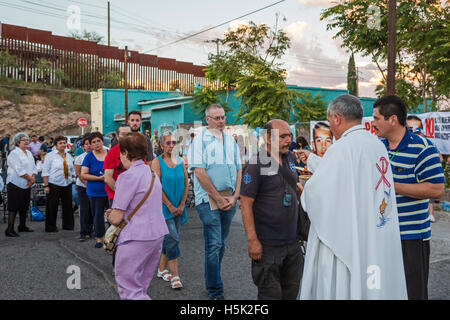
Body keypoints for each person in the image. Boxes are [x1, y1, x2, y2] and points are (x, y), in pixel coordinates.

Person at [299, 94, 407, 299]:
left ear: (337, 118)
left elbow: (323, 191)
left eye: (330, 121)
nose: (331, 127)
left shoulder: (342, 147)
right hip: (374, 232)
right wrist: (313, 160)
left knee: (346, 284)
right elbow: (349, 178)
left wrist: (306, 192)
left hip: (349, 236)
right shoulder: (376, 145)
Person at [372, 95, 445, 300]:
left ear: (392, 119)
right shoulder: (377, 147)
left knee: (412, 293)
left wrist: (393, 187)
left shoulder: (423, 148)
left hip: (410, 238)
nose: (373, 123)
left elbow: (436, 189)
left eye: (377, 118)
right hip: (382, 236)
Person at [240, 119, 304, 300]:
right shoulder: (256, 164)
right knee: (270, 296)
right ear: (268, 138)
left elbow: (294, 185)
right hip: (267, 246)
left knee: (291, 294)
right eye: (283, 136)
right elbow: (245, 204)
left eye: (289, 136)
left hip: (292, 243)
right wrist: (252, 240)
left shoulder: (291, 158)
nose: (288, 140)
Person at [187, 104, 242, 300]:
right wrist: (218, 198)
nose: (221, 121)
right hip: (208, 200)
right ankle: (215, 289)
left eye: (223, 117)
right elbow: (199, 173)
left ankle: (213, 279)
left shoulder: (230, 141)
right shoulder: (199, 141)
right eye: (216, 118)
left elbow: (238, 169)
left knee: (220, 244)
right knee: (214, 244)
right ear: (207, 119)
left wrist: (235, 196)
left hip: (229, 198)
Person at [105, 132, 168, 300]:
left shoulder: (127, 176)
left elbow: (117, 217)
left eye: (121, 154)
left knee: (129, 290)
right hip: (156, 234)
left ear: (126, 153)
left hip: (135, 237)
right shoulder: (152, 174)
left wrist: (110, 215)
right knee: (141, 287)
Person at [152, 131, 189, 290]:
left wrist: (181, 205)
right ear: (161, 145)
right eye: (168, 143)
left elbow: (187, 184)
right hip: (164, 208)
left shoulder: (180, 160)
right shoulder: (156, 162)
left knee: (170, 239)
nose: (172, 146)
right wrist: (170, 206)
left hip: (178, 207)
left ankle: (161, 269)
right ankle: (175, 276)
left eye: (174, 143)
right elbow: (156, 188)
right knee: (173, 238)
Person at [5, 133, 38, 236]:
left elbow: (33, 167)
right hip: (15, 183)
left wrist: (32, 178)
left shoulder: (28, 153)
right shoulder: (14, 154)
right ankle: (9, 229)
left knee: (24, 206)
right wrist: (30, 179)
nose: (27, 141)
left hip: (26, 183)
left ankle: (22, 226)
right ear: (18, 142)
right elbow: (19, 169)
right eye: (24, 140)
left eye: (27, 140)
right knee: (13, 207)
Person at [81, 132, 109, 248]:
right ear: (90, 145)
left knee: (113, 215)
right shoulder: (89, 157)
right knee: (97, 216)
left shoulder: (109, 153)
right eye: (93, 142)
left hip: (110, 190)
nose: (96, 144)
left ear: (102, 141)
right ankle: (99, 238)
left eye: (98, 141)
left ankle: (114, 237)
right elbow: (84, 175)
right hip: (95, 191)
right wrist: (98, 178)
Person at [42, 136, 75, 232]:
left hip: (67, 183)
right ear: (56, 145)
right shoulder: (50, 156)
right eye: (60, 143)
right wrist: (46, 185)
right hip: (54, 183)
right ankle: (50, 227)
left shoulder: (68, 156)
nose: (63, 145)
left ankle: (68, 225)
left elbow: (71, 169)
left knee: (68, 206)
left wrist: (73, 178)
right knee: (52, 206)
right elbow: (45, 171)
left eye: (64, 143)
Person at [104, 124, 132, 207]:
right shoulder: (112, 153)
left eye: (129, 134)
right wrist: (121, 193)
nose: (127, 137)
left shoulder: (137, 151)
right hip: (116, 195)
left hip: (134, 195)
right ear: (118, 137)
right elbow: (108, 178)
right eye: (123, 134)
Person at [74, 133, 93, 241]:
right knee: (85, 209)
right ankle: (83, 232)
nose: (89, 146)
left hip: (94, 186)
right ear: (83, 146)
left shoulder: (97, 156)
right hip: (83, 186)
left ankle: (91, 231)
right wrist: (87, 184)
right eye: (86, 144)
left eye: (90, 143)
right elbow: (79, 173)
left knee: (92, 209)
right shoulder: (80, 158)